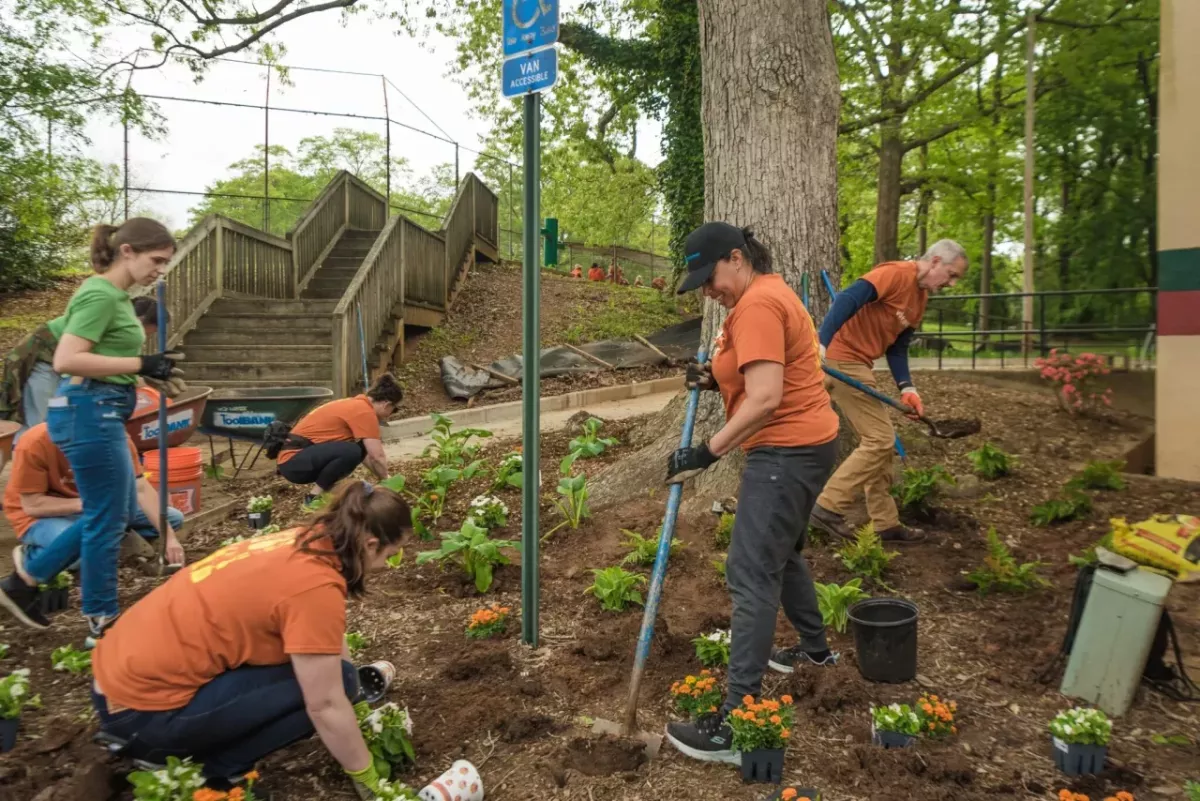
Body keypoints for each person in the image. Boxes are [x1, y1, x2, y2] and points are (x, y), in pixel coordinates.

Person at [89, 481, 410, 794]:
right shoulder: (315, 586)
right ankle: (211, 773)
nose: (388, 565)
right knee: (330, 690)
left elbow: (327, 636)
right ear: (370, 545)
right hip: (142, 716)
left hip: (115, 681)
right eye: (392, 555)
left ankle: (182, 750)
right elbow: (325, 703)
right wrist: (368, 776)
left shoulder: (302, 542)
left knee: (341, 681)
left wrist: (352, 697)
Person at [661, 222, 841, 765]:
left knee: (750, 573)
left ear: (736, 258)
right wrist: (716, 378)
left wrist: (706, 452)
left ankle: (736, 725)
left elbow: (765, 397)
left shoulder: (759, 305)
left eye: (708, 277)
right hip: (806, 445)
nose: (706, 291)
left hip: (785, 451)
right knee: (779, 555)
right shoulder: (766, 296)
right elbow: (760, 369)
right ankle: (816, 653)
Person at [0, 218, 183, 637]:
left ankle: (24, 582)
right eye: (157, 260)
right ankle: (101, 618)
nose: (161, 270)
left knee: (112, 514)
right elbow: (66, 359)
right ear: (127, 251)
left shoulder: (117, 298)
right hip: (89, 412)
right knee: (107, 519)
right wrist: (140, 363)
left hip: (101, 406)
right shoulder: (100, 294)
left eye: (166, 262)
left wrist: (140, 374)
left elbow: (88, 351)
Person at [810, 240, 968, 544]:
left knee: (881, 442)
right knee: (880, 439)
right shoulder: (896, 274)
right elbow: (847, 298)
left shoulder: (920, 299)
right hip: (842, 359)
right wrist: (821, 343)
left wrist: (908, 388)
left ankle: (886, 523)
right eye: (951, 275)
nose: (951, 283)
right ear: (935, 261)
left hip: (859, 364)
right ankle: (827, 506)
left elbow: (898, 348)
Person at [3, 423, 186, 574]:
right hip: (41, 516)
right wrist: (87, 504)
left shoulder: (115, 438)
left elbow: (141, 489)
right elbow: (32, 505)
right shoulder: (35, 443)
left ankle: (108, 540)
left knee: (173, 518)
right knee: (79, 558)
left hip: (95, 507)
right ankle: (30, 556)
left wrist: (169, 538)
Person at [0, 297, 166, 442]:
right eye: (152, 331)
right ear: (140, 319)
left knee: (56, 419)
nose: (147, 337)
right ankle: (29, 466)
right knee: (41, 421)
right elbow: (86, 365)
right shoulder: (109, 322)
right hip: (42, 358)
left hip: (62, 363)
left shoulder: (122, 325)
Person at [276, 374, 403, 504]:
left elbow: (367, 456)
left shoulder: (357, 405)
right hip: (293, 462)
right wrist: (389, 485)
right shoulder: (365, 412)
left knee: (357, 449)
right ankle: (313, 497)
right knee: (351, 451)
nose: (390, 414)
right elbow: (377, 456)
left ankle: (329, 492)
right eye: (394, 409)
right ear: (386, 404)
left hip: (298, 460)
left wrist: (384, 478)